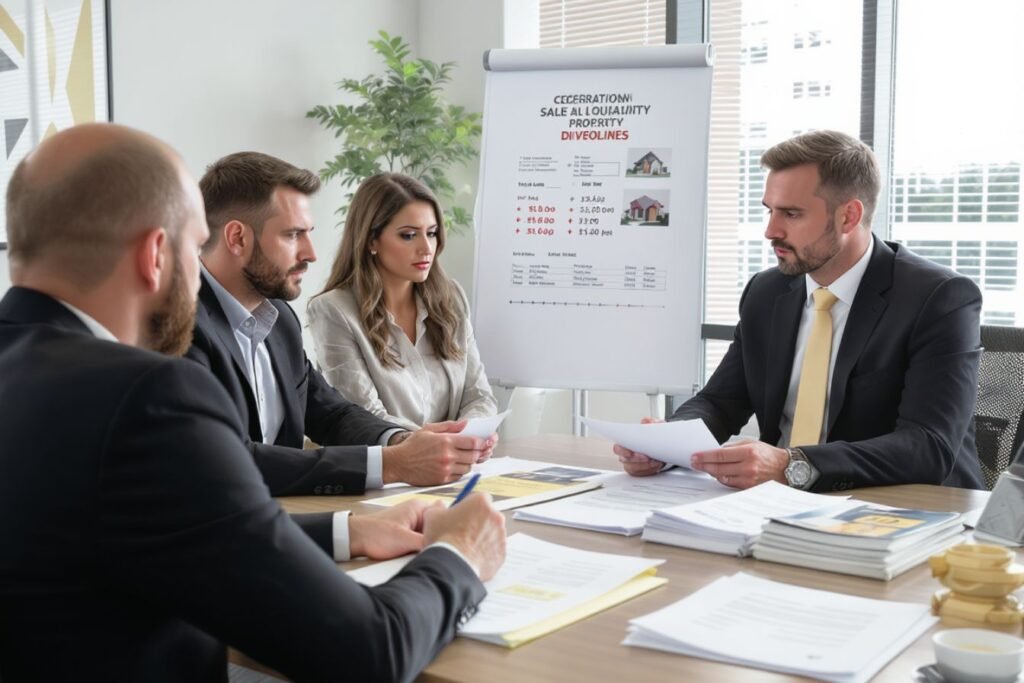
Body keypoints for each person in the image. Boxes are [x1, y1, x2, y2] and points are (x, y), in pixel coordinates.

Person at [0, 122, 506, 681]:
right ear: (155, 254)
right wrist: (460, 555)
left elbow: (158, 534)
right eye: (196, 246)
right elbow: (369, 650)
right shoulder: (147, 397)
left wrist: (348, 531)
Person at [617, 130, 984, 492]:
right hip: (778, 503)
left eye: (791, 214)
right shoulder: (767, 291)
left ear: (848, 217)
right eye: (770, 210)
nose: (770, 230)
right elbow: (721, 400)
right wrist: (666, 444)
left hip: (903, 507)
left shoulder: (938, 298)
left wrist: (789, 464)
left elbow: (929, 446)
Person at [190, 153, 497, 495]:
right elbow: (229, 460)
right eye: (293, 235)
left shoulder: (278, 319)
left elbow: (330, 414)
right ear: (237, 238)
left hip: (284, 517)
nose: (311, 253)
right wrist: (393, 464)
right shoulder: (178, 330)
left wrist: (404, 441)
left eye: (309, 233)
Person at [307, 173, 497, 432]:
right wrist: (435, 443)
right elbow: (362, 416)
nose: (426, 248)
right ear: (371, 240)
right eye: (408, 235)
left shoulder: (450, 298)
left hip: (457, 464)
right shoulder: (333, 310)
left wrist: (469, 434)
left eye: (431, 233)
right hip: (387, 467)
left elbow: (479, 397)